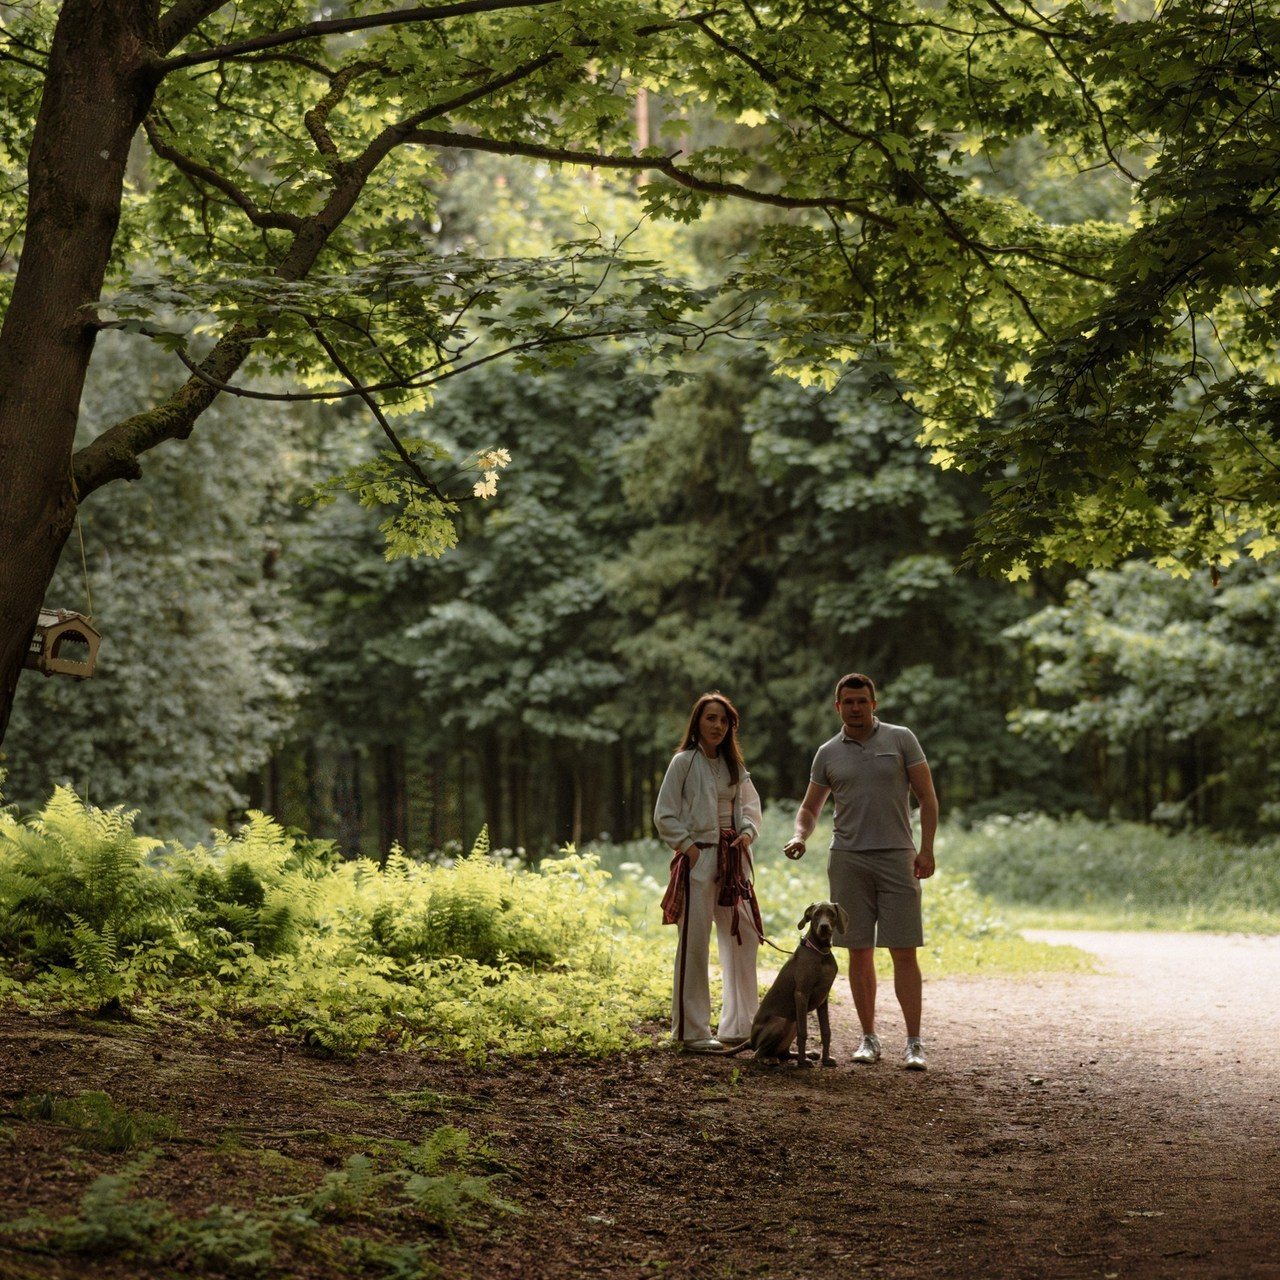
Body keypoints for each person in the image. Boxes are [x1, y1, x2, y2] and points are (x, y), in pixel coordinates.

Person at [784, 672, 938, 1071]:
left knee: (904, 951)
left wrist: (926, 849)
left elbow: (927, 797)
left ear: (874, 703)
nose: (855, 707)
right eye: (848, 702)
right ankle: (868, 1038)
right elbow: (810, 807)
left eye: (862, 701)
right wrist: (800, 836)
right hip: (848, 859)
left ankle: (914, 1043)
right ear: (838, 707)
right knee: (858, 951)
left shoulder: (901, 739)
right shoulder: (828, 752)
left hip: (898, 857)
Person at [654, 691, 764, 1052]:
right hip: (699, 859)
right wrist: (690, 849)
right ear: (697, 723)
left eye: (724, 720)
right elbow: (664, 814)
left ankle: (739, 1025)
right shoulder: (683, 763)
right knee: (695, 943)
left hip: (734, 861)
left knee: (743, 936)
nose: (718, 726)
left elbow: (750, 808)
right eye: (711, 719)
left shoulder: (735, 768)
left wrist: (746, 833)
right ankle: (691, 1032)